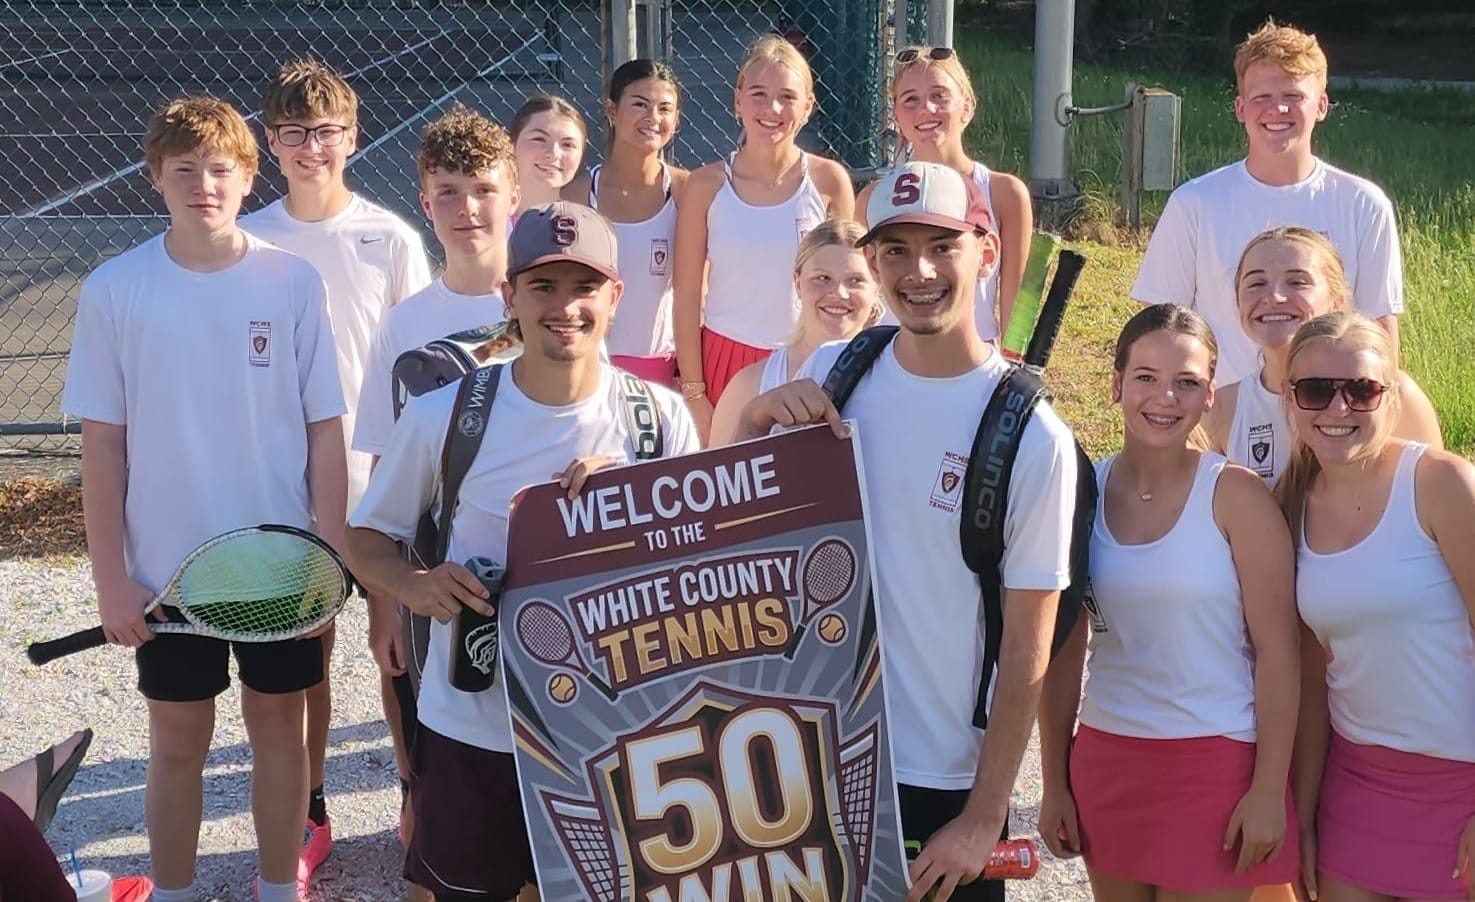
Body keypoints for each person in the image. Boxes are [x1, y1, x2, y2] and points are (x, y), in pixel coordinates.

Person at [735, 161, 1078, 902]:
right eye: (895, 249)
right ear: (873, 260)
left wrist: (983, 818)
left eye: (941, 246)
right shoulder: (836, 370)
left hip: (939, 777)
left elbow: (1029, 644)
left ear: (985, 252)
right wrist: (753, 423)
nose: (918, 271)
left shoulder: (1031, 434)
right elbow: (744, 538)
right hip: (813, 757)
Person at [345, 202, 701, 901]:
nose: (565, 308)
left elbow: (696, 568)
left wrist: (633, 497)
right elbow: (365, 536)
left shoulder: (657, 421)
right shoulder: (447, 413)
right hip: (474, 722)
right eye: (543, 287)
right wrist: (413, 585)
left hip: (612, 727)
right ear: (508, 297)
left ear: (615, 297)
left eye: (584, 287)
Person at [60, 96, 347, 902]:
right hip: (166, 574)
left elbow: (325, 429)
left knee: (279, 732)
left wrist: (327, 563)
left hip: (279, 568)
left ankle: (277, 888)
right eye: (183, 170)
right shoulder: (116, 288)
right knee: (179, 739)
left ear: (250, 177)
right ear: (155, 178)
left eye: (220, 169)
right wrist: (112, 581)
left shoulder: (292, 281)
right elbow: (102, 446)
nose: (203, 185)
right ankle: (177, 892)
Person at [1036, 303, 1300, 901]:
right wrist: (1055, 780)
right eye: (1146, 377)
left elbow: (1279, 654)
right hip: (1107, 762)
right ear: (1116, 384)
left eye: (1186, 381)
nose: (1165, 397)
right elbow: (1062, 650)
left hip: (1216, 767)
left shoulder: (1236, 496)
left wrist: (1268, 790)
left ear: (1209, 395)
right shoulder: (1081, 492)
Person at [241, 58, 431, 887]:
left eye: (326, 132)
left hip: (380, 486)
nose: (311, 148)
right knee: (303, 659)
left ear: (353, 137)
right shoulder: (252, 242)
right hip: (289, 491)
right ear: (269, 141)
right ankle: (309, 813)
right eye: (294, 133)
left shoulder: (390, 238)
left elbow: (419, 368)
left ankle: (417, 800)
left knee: (398, 655)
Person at [350, 104, 518, 899]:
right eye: (447, 191)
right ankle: (432, 826)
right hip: (436, 570)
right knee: (437, 720)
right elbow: (385, 466)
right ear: (423, 202)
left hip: (535, 556)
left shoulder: (548, 301)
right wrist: (386, 600)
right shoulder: (407, 325)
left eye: (482, 189)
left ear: (512, 196)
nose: (466, 208)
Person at [1276, 311, 1475, 902]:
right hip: (1356, 787)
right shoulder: (1289, 506)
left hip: (1464, 784)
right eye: (1316, 389)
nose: (1338, 408)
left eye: (1361, 389)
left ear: (1390, 392)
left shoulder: (1441, 483)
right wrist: (1305, 816)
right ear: (1290, 397)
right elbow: (1312, 680)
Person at [1130, 21, 1403, 386]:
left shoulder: (1363, 204)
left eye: (1294, 96)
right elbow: (1161, 328)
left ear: (1321, 106)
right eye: (1262, 98)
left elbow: (1379, 329)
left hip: (1328, 407)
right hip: (1223, 412)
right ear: (1240, 108)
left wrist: (1382, 404)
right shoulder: (1194, 203)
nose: (1278, 109)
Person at [673, 32, 855, 435]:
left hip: (808, 359)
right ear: (738, 100)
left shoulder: (829, 181)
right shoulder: (705, 185)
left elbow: (850, 281)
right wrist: (695, 392)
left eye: (787, 97)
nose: (772, 108)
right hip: (724, 357)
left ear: (808, 106)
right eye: (758, 94)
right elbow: (686, 294)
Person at [1203, 227, 1441, 483]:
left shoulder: (1387, 394)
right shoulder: (1221, 410)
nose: (1274, 297)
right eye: (1256, 283)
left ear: (1337, 301)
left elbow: (1436, 494)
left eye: (1297, 282)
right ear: (1237, 302)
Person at [857, 45, 1031, 344]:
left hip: (971, 354)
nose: (926, 108)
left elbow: (1017, 311)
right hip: (894, 353)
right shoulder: (873, 198)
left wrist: (1012, 364)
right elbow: (862, 296)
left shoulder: (1004, 192)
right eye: (911, 99)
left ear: (967, 106)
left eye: (939, 96)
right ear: (896, 115)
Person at [566, 59, 689, 385]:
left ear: (676, 119)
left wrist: (689, 375)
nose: (653, 117)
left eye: (665, 109)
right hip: (588, 366)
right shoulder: (576, 195)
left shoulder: (686, 191)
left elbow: (699, 291)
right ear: (611, 110)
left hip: (662, 368)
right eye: (640, 104)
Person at [709, 218, 880, 445]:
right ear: (798, 283)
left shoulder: (896, 374)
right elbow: (720, 466)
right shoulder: (749, 385)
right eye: (823, 278)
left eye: (855, 281)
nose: (839, 293)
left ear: (877, 287)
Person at [509, 94, 586, 220]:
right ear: (512, 144)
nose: (554, 154)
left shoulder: (586, 226)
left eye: (567, 145)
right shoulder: (484, 219)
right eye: (539, 139)